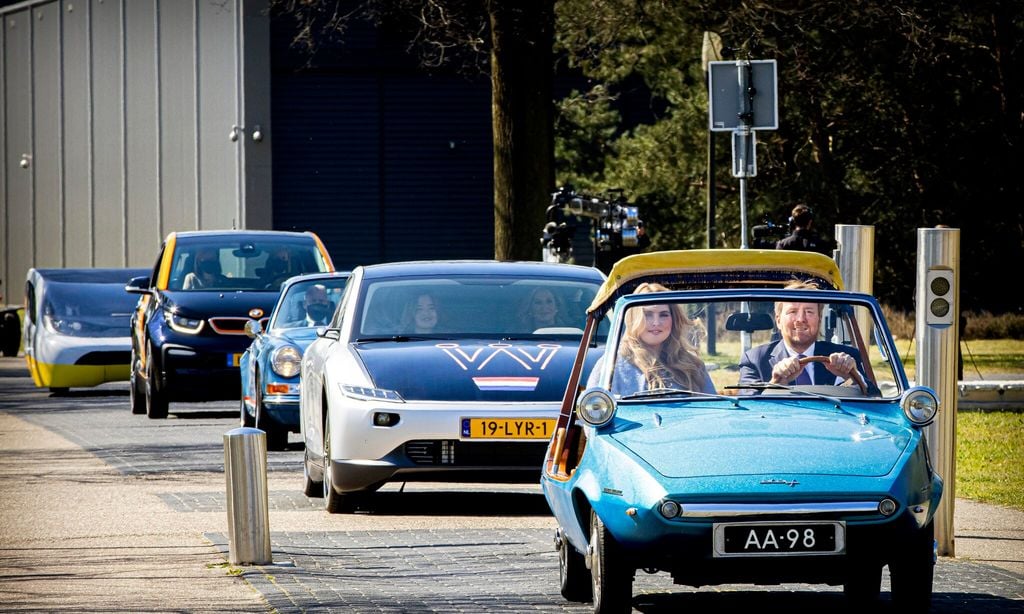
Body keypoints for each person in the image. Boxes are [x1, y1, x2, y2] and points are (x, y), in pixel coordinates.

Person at [738, 281, 872, 390]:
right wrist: (776, 382)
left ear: (819, 319)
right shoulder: (755, 360)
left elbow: (876, 401)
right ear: (778, 320)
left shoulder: (846, 357)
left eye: (809, 311)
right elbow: (746, 412)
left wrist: (853, 377)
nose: (801, 319)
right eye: (793, 311)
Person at [590, 282, 716, 396]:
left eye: (663, 315)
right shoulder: (610, 365)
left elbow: (714, 412)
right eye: (647, 314)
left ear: (674, 319)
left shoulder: (693, 365)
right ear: (634, 318)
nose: (656, 322)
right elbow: (594, 412)